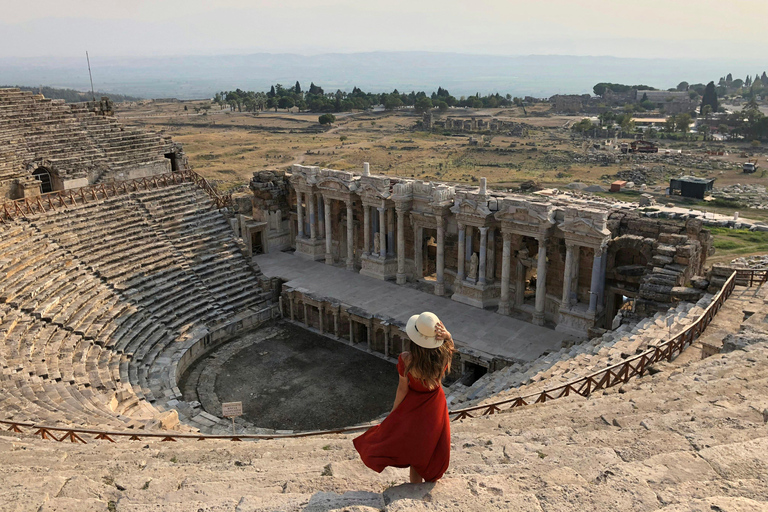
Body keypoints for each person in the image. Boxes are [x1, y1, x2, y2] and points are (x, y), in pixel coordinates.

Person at [353, 311, 455, 484]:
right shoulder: (443, 355)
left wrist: (394, 414)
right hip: (435, 405)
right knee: (429, 446)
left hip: (414, 406)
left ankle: (414, 487)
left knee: (415, 449)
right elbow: (450, 346)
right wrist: (448, 336)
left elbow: (402, 389)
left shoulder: (406, 359)